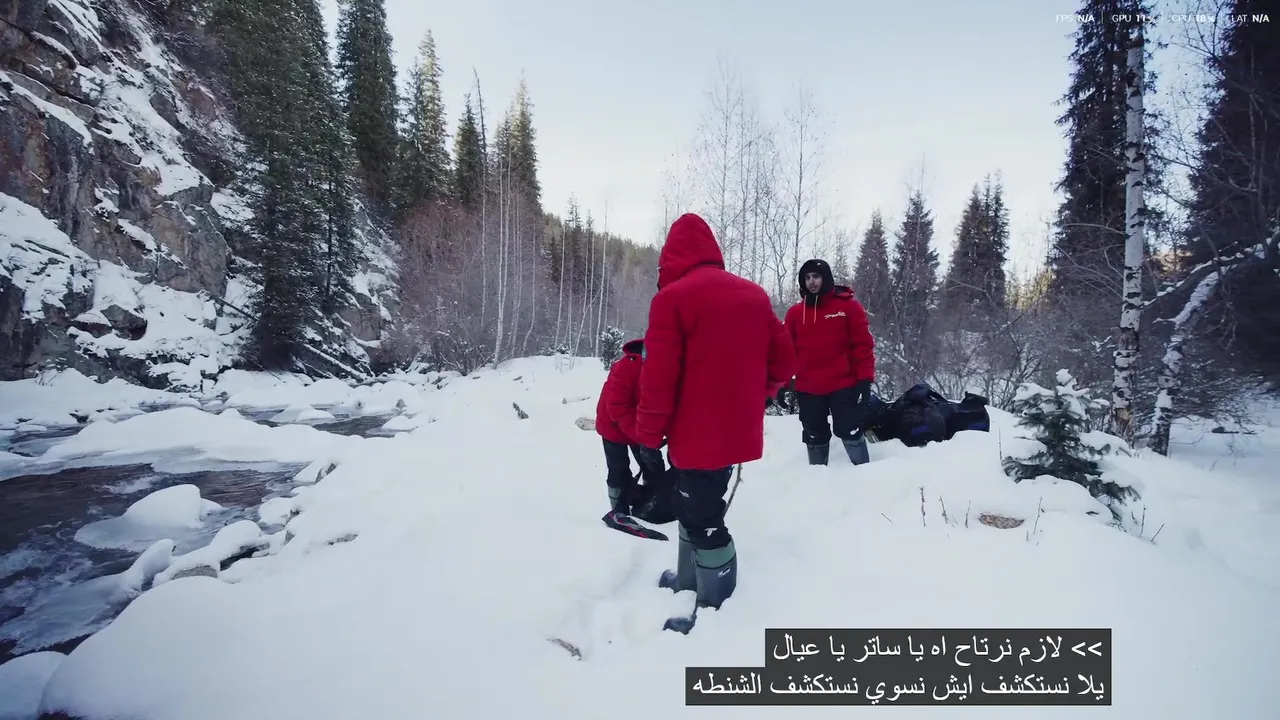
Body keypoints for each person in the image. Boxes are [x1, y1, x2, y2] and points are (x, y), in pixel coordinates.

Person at [633, 213, 796, 614]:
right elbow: (785, 360)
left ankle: (714, 610)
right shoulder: (754, 296)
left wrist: (647, 435)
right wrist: (759, 397)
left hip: (696, 436)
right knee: (692, 505)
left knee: (703, 518)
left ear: (670, 258)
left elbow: (658, 380)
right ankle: (689, 581)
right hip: (732, 434)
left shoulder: (672, 300)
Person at [784, 258, 877, 466]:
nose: (811, 282)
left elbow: (863, 345)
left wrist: (865, 378)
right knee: (814, 433)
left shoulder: (848, 307)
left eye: (816, 276)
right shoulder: (795, 314)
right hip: (808, 387)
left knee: (849, 429)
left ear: (825, 278)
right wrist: (781, 383)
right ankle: (818, 477)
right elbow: (785, 352)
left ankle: (865, 473)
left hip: (843, 384)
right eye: (807, 278)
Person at [595, 339, 670, 523]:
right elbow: (616, 407)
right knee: (618, 469)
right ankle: (618, 510)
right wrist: (643, 439)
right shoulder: (627, 367)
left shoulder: (665, 370)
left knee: (652, 466)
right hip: (612, 425)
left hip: (638, 425)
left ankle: (650, 503)